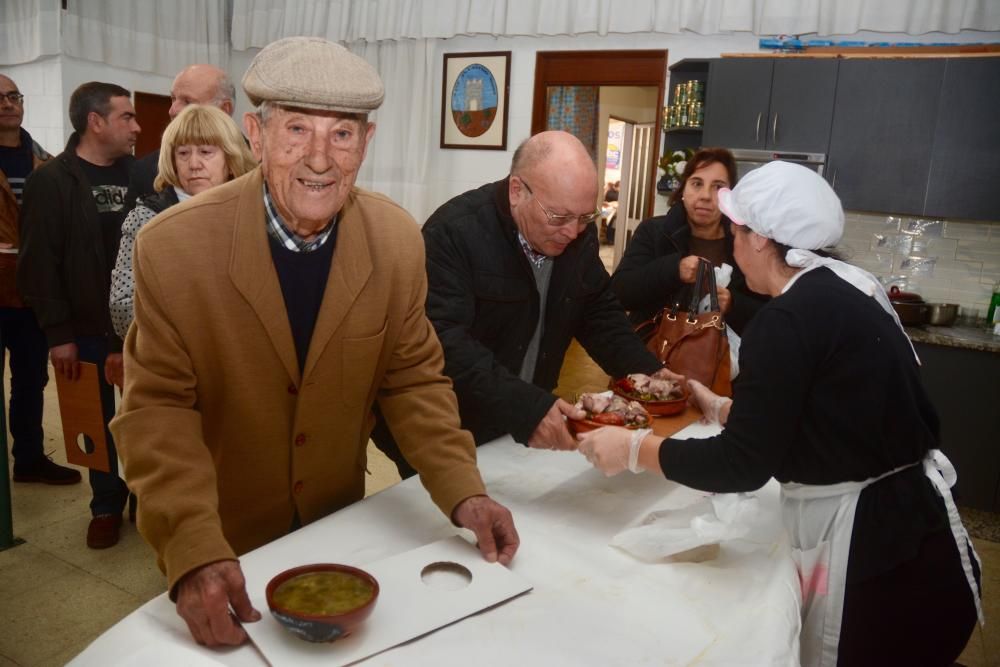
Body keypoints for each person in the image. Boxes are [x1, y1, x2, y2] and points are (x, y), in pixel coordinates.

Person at [110, 36, 519, 648]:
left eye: (343, 135)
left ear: (367, 142)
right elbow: (157, 411)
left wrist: (463, 489)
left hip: (338, 524)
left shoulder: (397, 241)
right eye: (297, 130)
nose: (321, 159)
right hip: (222, 536)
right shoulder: (172, 248)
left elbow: (412, 381)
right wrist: (192, 547)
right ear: (255, 134)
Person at [578, 161, 981, 666]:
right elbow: (827, 413)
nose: (729, 242)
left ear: (761, 240)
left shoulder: (785, 321)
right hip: (923, 542)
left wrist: (635, 449)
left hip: (881, 566)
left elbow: (741, 465)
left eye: (735, 230)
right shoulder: (847, 287)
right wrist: (721, 405)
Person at [373, 131, 678, 480]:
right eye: (559, 217)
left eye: (584, 217)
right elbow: (443, 343)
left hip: (514, 423)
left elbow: (596, 310)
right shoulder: (454, 233)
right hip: (447, 425)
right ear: (517, 190)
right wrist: (528, 407)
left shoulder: (577, 233)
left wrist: (646, 372)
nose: (573, 232)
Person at [18, 82, 140, 548]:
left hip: (138, 327)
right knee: (92, 419)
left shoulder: (142, 174)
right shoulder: (52, 181)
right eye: (126, 116)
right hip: (82, 327)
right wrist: (58, 333)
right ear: (96, 121)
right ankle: (106, 502)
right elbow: (39, 262)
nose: (136, 125)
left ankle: (148, 495)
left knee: (149, 417)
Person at [110, 104, 256, 339]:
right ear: (172, 160)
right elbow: (123, 312)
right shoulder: (146, 219)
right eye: (183, 153)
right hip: (173, 363)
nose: (194, 164)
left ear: (231, 158)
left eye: (206, 152)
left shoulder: (256, 215)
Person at [0, 74, 80, 485]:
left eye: (13, 95)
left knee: (31, 381)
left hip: (32, 294)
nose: (8, 103)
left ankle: (29, 459)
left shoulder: (45, 162)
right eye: (0, 98)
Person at [611, 147, 767, 336]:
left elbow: (767, 311)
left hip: (724, 359)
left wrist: (734, 304)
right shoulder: (654, 231)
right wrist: (674, 270)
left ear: (730, 196)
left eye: (718, 187)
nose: (705, 196)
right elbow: (620, 292)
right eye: (696, 183)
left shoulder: (746, 241)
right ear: (683, 189)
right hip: (655, 353)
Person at [127, 64, 236, 207]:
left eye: (187, 101)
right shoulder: (146, 170)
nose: (172, 110)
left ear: (224, 109)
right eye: (173, 98)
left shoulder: (260, 166)